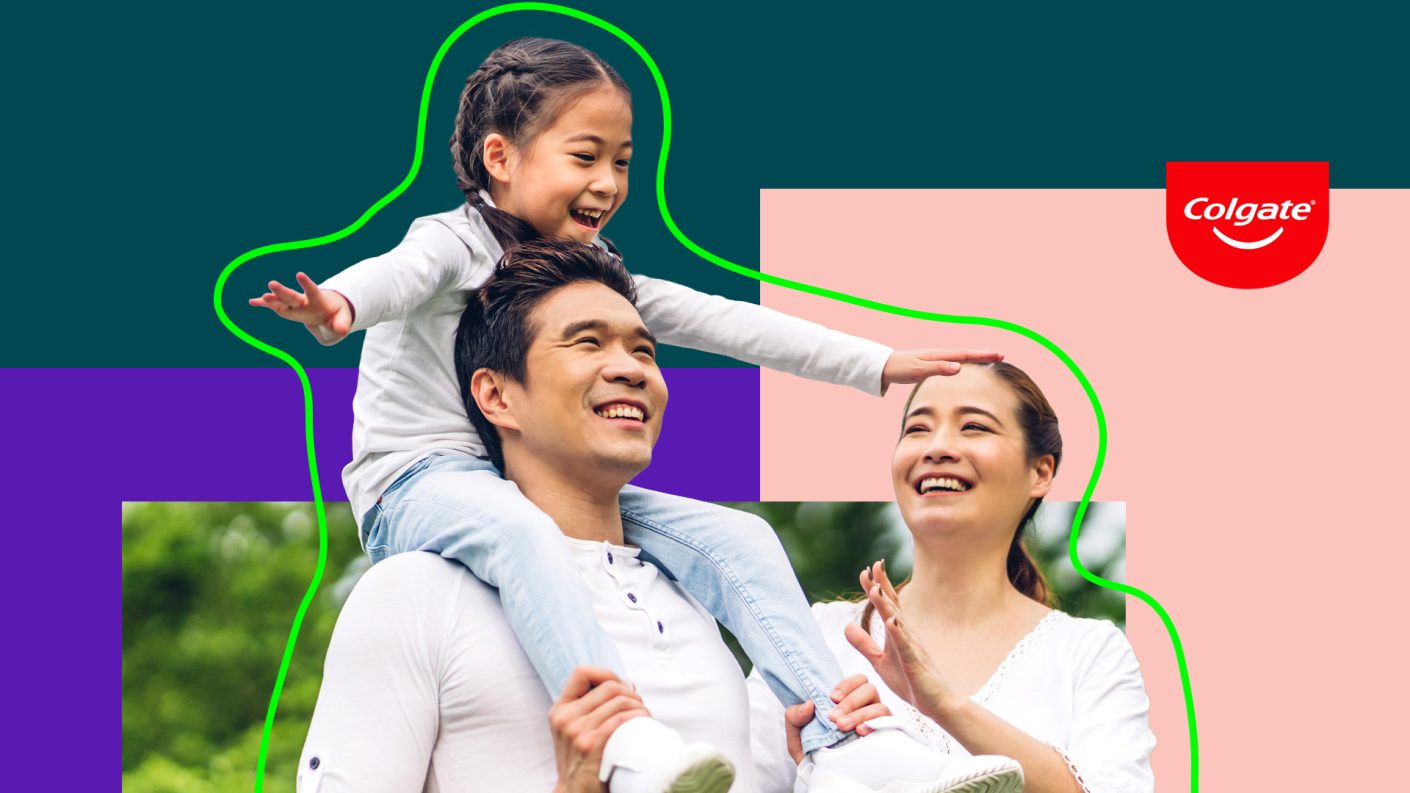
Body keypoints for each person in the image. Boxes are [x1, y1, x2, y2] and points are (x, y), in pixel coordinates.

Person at [250, 36, 1007, 792]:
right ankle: (622, 733)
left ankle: (843, 740)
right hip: (415, 480)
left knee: (739, 536)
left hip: (499, 476)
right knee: (522, 531)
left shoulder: (595, 274)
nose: (608, 182)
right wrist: (337, 307)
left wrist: (876, 363)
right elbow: (398, 275)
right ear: (500, 158)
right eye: (585, 156)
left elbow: (727, 320)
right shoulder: (452, 241)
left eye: (621, 161)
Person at [298, 241, 1024, 793]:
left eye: (643, 349)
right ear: (496, 397)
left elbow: (738, 323)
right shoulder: (414, 595)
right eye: (587, 343)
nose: (632, 367)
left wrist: (821, 762)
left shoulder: (702, 599)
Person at [749, 363, 1157, 793]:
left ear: (1041, 472)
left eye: (975, 427)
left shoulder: (1089, 655)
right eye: (918, 428)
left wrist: (946, 706)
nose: (938, 447)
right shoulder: (815, 637)